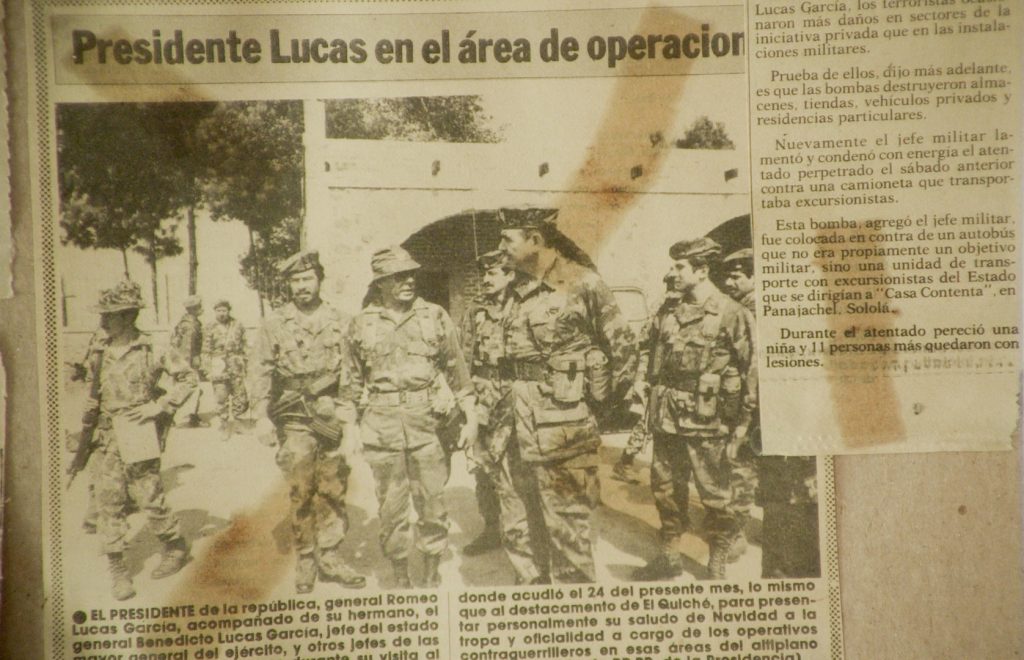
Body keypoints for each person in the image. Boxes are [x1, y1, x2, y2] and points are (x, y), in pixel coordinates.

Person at [497, 208, 637, 583]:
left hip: (563, 429)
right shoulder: (513, 289)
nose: (500, 248)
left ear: (535, 240)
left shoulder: (583, 283)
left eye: (507, 240)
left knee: (567, 529)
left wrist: (594, 410)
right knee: (518, 524)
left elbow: (623, 349)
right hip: (512, 426)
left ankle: (572, 610)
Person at [342, 246, 477, 589]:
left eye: (411, 274)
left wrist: (471, 419)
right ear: (381, 282)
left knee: (432, 501)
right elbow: (350, 383)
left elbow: (458, 373)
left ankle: (431, 573)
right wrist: (348, 431)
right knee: (391, 506)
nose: (408, 280)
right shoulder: (361, 323)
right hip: (381, 422)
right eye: (398, 276)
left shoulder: (434, 316)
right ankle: (400, 574)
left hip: (427, 421)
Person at [632, 237, 755, 581]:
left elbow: (751, 370)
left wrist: (743, 424)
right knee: (666, 490)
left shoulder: (732, 313)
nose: (672, 273)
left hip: (708, 420)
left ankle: (716, 561)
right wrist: (642, 383)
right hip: (666, 416)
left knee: (716, 495)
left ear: (701, 271)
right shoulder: (668, 310)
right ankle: (669, 557)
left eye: (679, 267)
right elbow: (649, 349)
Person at [250, 250, 366, 593]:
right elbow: (260, 370)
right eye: (295, 281)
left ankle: (330, 555)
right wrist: (260, 415)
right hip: (294, 414)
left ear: (320, 280)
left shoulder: (343, 321)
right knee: (301, 488)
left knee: (332, 485)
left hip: (330, 411)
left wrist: (351, 414)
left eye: (307, 279)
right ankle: (305, 556)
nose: (301, 286)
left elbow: (354, 371)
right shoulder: (274, 323)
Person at [79, 280, 194, 600]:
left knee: (149, 496)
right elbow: (93, 389)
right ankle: (118, 569)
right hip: (106, 436)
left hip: (139, 432)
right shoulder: (98, 349)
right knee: (108, 500)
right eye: (103, 315)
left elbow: (188, 379)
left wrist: (159, 406)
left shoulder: (152, 348)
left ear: (128, 317)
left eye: (111, 316)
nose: (103, 321)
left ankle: (175, 546)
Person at [722, 248, 820, 578]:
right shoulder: (747, 308)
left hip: (759, 407)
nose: (729, 281)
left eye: (737, 275)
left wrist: (746, 410)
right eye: (729, 275)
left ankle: (735, 536)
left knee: (744, 469)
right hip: (762, 405)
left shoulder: (753, 310)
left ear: (754, 276)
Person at [459, 250, 515, 556]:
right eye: (485, 273)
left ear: (510, 275)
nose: (485, 279)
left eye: (492, 273)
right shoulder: (475, 310)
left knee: (516, 469)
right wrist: (464, 400)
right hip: (483, 398)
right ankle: (492, 528)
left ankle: (524, 532)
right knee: (483, 467)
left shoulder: (522, 308)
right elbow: (463, 356)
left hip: (514, 396)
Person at [611, 274, 682, 485]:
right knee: (647, 421)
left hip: (672, 379)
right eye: (669, 287)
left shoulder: (681, 312)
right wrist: (642, 377)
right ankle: (625, 462)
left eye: (674, 288)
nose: (671, 292)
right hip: (657, 378)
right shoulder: (660, 314)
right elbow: (645, 346)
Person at [203, 299, 249, 436]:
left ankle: (238, 423)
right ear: (215, 311)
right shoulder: (209, 327)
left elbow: (244, 343)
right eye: (219, 311)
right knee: (221, 395)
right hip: (218, 365)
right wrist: (207, 368)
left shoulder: (237, 325)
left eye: (224, 310)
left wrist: (245, 360)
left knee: (239, 394)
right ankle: (223, 425)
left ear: (229, 311)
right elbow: (205, 350)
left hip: (236, 363)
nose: (222, 313)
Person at [171, 295, 206, 427]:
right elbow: (187, 347)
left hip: (183, 361)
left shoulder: (187, 322)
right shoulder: (190, 325)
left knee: (190, 388)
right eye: (199, 307)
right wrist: (190, 363)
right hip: (186, 362)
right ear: (193, 309)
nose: (201, 309)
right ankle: (186, 418)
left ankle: (191, 416)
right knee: (190, 388)